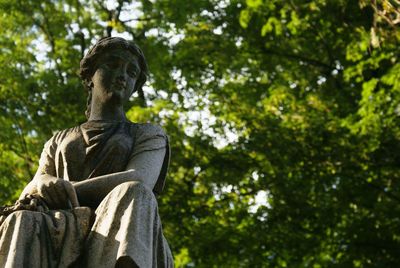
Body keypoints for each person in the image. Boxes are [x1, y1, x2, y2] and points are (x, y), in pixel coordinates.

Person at [0, 37, 173, 268]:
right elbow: (32, 188)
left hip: (121, 222)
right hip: (61, 224)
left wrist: (68, 190)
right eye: (113, 64)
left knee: (134, 192)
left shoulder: (147, 134)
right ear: (90, 76)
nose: (122, 75)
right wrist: (44, 182)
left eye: (131, 72)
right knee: (21, 218)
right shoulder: (58, 139)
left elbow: (139, 177)